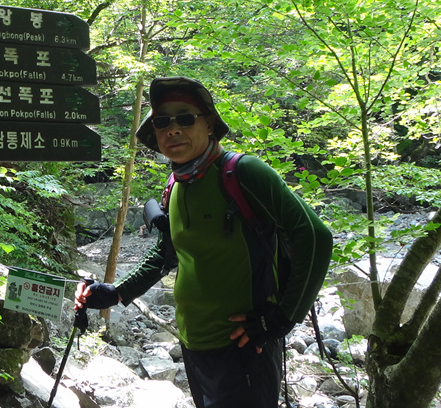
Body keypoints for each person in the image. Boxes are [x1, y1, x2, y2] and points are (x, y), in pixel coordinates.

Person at [75, 76, 333, 408]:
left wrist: (280, 320)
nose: (172, 129)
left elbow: (316, 236)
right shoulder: (176, 184)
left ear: (209, 125)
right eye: (162, 122)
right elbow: (166, 253)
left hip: (244, 349)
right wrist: (116, 293)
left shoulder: (243, 173)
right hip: (194, 343)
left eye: (185, 118)